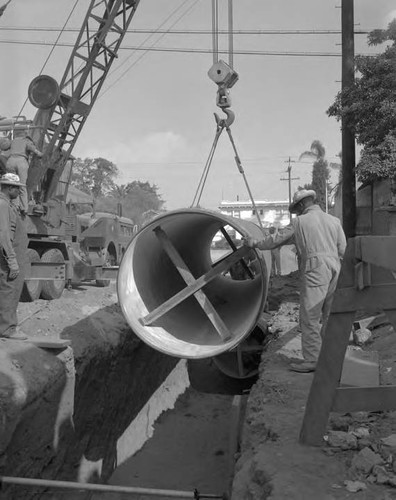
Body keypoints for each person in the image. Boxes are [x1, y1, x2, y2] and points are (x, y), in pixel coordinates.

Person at [243, 189, 346, 373]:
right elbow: (343, 249)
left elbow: (275, 240)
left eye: (296, 208)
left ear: (300, 205)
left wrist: (255, 243)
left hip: (315, 269)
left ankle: (313, 360)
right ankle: (333, 358)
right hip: (335, 268)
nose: (296, 212)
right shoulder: (334, 221)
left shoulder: (300, 222)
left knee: (310, 317)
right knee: (330, 316)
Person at [0, 173, 29, 340]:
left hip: (8, 256)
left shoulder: (7, 204)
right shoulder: (3, 205)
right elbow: (3, 235)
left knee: (7, 291)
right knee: (8, 291)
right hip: (6, 258)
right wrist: (12, 261)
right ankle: (7, 329)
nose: (19, 192)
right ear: (9, 188)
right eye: (17, 188)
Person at [6, 130, 43, 215]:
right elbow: (33, 149)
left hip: (10, 161)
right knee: (22, 185)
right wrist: (40, 154)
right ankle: (23, 208)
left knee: (13, 185)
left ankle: (15, 205)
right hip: (21, 162)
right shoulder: (26, 141)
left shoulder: (14, 141)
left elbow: (4, 146)